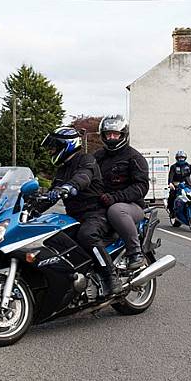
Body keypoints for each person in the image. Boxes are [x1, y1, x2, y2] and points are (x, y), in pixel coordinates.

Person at [39, 127, 121, 297]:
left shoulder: (86, 160)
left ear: (67, 145)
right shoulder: (62, 170)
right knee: (52, 238)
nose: (51, 151)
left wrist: (70, 186)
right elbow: (51, 195)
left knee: (86, 235)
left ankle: (110, 277)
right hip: (74, 217)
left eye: (54, 147)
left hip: (96, 214)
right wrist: (29, 209)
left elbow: (83, 177)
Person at [93, 115, 150, 270]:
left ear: (123, 135)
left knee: (116, 210)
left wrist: (116, 197)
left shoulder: (135, 157)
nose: (111, 137)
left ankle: (135, 253)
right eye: (108, 134)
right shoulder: (97, 156)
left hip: (131, 206)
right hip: (102, 202)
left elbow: (141, 187)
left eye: (115, 134)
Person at [167, 150, 191, 216]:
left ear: (185, 158)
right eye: (179, 158)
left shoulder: (188, 166)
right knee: (172, 196)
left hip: (186, 184)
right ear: (177, 158)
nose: (181, 159)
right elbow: (171, 175)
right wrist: (170, 183)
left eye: (182, 157)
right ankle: (172, 211)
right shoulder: (174, 167)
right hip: (176, 184)